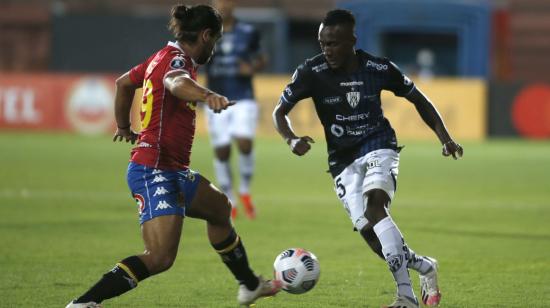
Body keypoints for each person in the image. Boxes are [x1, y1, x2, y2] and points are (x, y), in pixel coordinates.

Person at [66, 5, 280, 308]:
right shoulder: (178, 61)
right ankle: (84, 303)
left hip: (172, 169)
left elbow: (124, 83)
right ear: (205, 35)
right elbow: (175, 82)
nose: (214, 47)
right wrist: (207, 95)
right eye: (215, 41)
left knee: (220, 209)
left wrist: (125, 126)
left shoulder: (158, 57)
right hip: (153, 169)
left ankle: (250, 285)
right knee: (160, 257)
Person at [273, 9, 463, 308]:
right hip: (341, 159)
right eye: (322, 43)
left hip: (378, 144)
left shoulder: (378, 68)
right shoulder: (311, 71)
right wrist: (291, 138)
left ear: (352, 41)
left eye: (334, 44)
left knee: (377, 206)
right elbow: (279, 111)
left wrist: (446, 138)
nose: (327, 50)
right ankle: (425, 266)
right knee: (372, 235)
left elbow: (419, 99)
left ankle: (406, 297)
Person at [204, 0, 268, 219]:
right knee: (222, 150)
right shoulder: (206, 33)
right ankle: (229, 197)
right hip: (215, 97)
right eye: (219, 2)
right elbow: (194, 60)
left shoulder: (248, 32)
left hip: (243, 97)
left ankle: (245, 191)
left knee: (244, 142)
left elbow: (262, 59)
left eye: (227, 2)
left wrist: (251, 68)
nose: (223, 6)